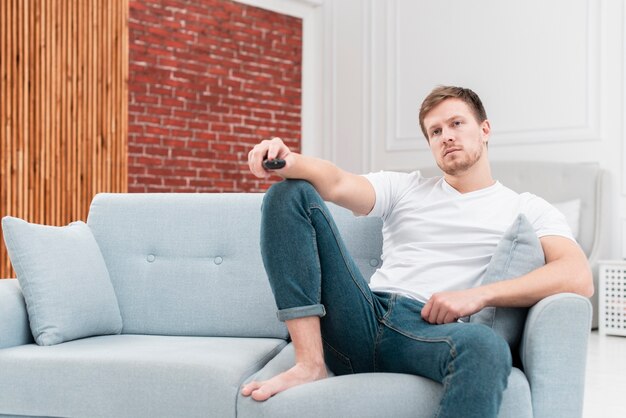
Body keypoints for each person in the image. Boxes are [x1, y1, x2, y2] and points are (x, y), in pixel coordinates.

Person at [241, 85, 593, 417]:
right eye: (435, 131)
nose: (447, 136)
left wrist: (478, 296)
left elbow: (577, 275)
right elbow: (335, 182)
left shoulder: (526, 207)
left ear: (485, 129)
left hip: (430, 331)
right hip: (362, 315)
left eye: (456, 123)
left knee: (485, 347)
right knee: (289, 194)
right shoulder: (405, 188)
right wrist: (288, 159)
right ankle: (309, 364)